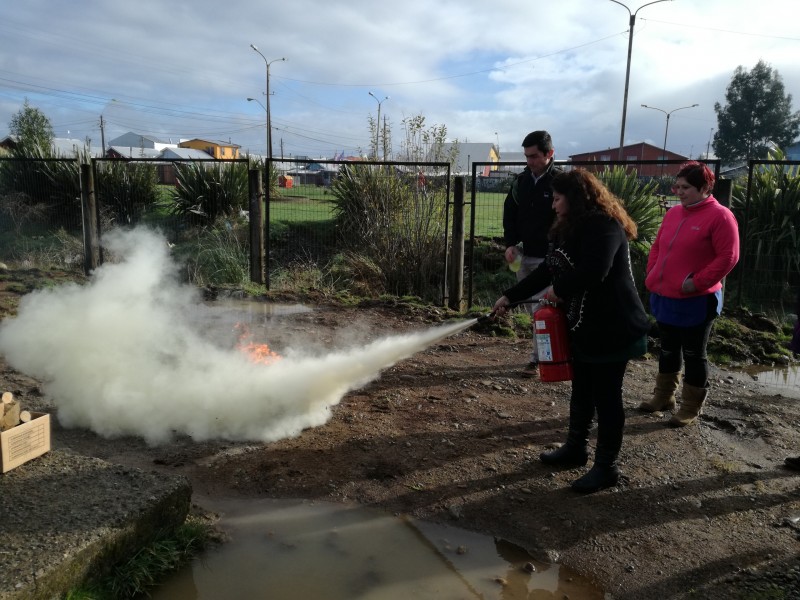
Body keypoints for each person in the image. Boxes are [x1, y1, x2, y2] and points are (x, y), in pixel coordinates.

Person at [493, 169, 650, 493]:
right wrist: (511, 296)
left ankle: (607, 467)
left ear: (576, 198)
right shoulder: (567, 229)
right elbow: (547, 271)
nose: (553, 204)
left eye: (559, 198)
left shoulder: (604, 225)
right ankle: (575, 448)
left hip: (613, 326)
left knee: (607, 397)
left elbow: (596, 270)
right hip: (584, 325)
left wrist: (559, 291)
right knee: (582, 388)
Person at [640, 161, 740, 426]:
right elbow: (658, 246)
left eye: (685, 187)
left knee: (695, 353)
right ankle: (663, 396)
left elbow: (728, 256)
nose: (679, 191)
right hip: (665, 294)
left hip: (697, 299)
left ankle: (690, 407)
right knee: (668, 348)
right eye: (677, 186)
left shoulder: (720, 216)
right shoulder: (673, 213)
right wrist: (652, 273)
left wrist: (696, 282)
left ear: (705, 187)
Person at [502, 130, 561, 378]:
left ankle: (538, 359)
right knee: (531, 310)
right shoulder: (521, 182)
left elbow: (566, 220)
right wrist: (511, 243)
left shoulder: (561, 183)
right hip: (523, 256)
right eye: (527, 156)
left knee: (541, 310)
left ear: (550, 154)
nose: (530, 161)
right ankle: (544, 352)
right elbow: (510, 213)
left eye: (535, 156)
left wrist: (556, 252)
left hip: (548, 258)